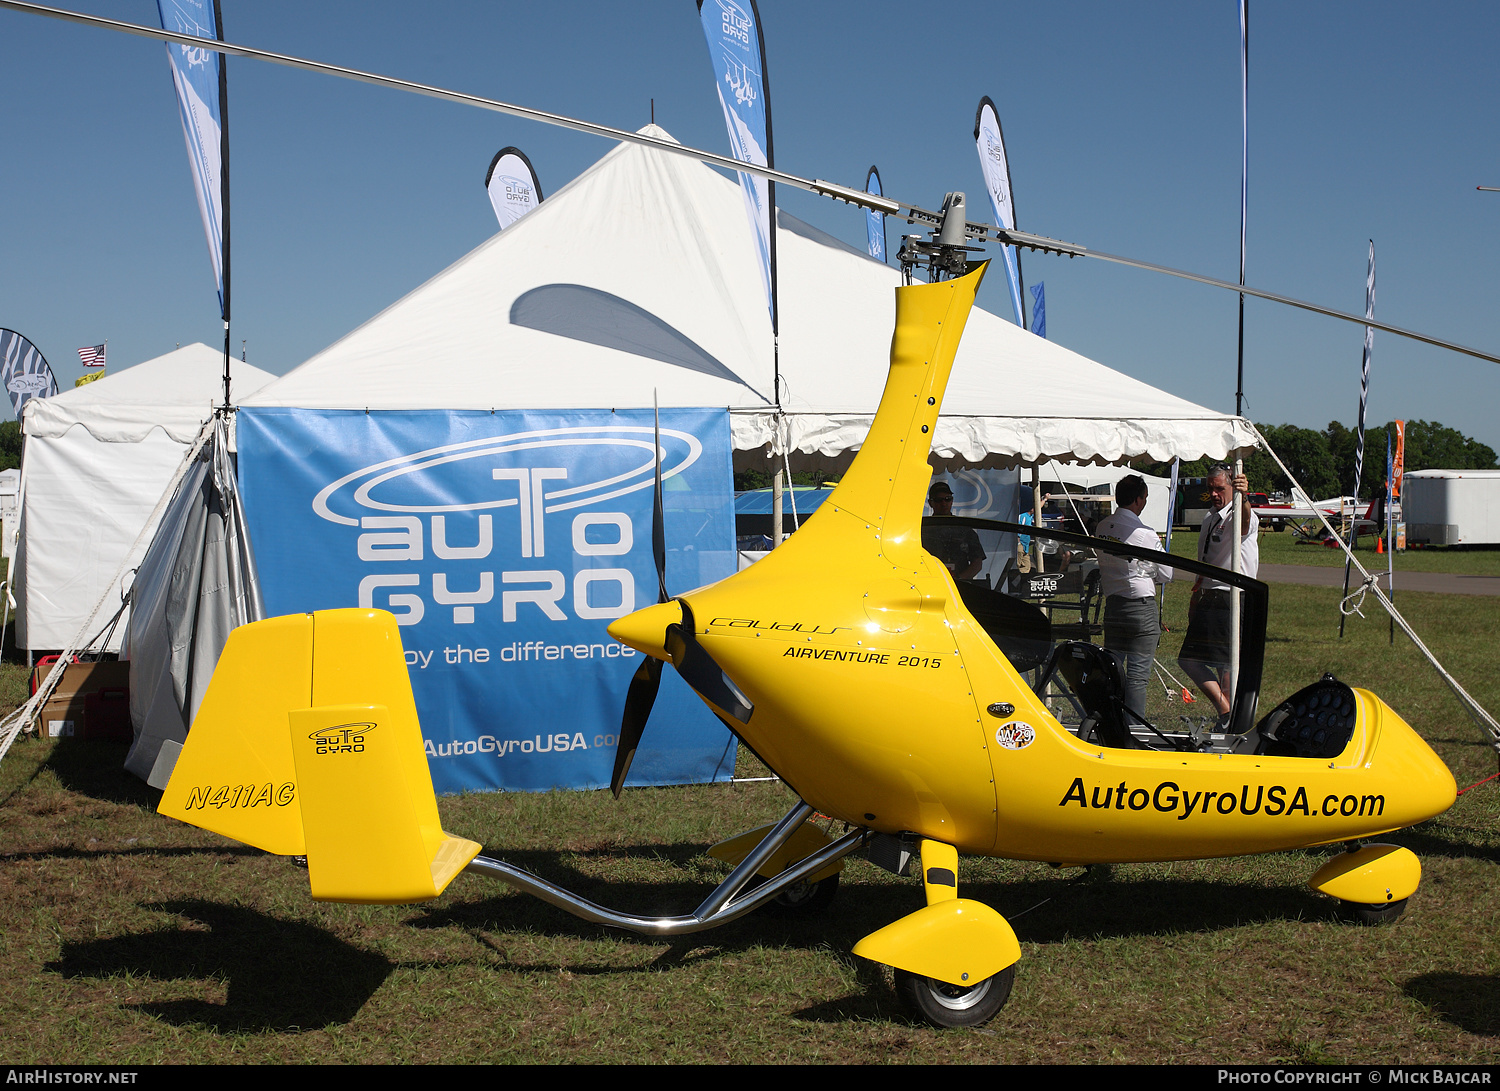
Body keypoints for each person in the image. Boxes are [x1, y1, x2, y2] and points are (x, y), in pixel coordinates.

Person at [1177, 465, 1260, 720]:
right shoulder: (1210, 517)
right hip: (1209, 595)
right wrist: (1196, 592)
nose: (1213, 494)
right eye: (1210, 489)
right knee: (1189, 659)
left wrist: (1243, 497)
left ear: (1231, 487)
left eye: (1219, 489)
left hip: (1231, 595)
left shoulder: (1239, 514)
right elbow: (1205, 559)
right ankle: (1228, 712)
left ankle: (1230, 718)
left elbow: (1245, 523)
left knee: (1227, 665)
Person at [1094, 475, 1173, 720]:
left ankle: (1112, 721)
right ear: (1139, 500)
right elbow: (1166, 573)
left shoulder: (1102, 527)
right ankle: (1135, 729)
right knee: (1138, 676)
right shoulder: (1145, 534)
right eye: (1145, 498)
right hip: (1140, 607)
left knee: (1114, 671)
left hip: (1114, 605)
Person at [923, 480, 985, 580]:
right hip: (931, 584)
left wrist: (958, 579)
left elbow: (977, 563)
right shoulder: (922, 530)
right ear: (931, 503)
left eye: (947, 499)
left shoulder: (964, 529)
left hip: (960, 585)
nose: (944, 503)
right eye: (939, 500)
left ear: (952, 501)